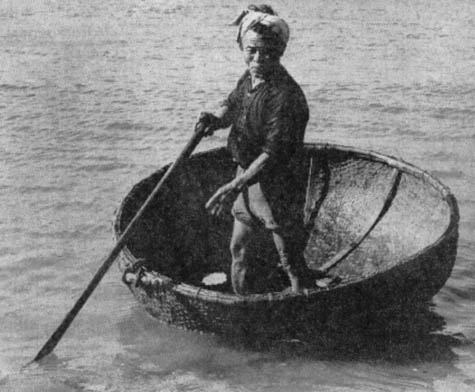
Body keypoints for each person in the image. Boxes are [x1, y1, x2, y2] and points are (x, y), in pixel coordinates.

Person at [197, 5, 309, 295]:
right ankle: (244, 311)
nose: (259, 59)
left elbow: (272, 155)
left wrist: (234, 185)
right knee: (239, 249)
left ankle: (301, 308)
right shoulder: (249, 78)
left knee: (290, 260)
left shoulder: (286, 96)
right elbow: (233, 106)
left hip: (276, 185)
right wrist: (215, 119)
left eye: (268, 53)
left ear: (280, 52)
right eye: (252, 51)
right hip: (246, 180)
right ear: (242, 48)